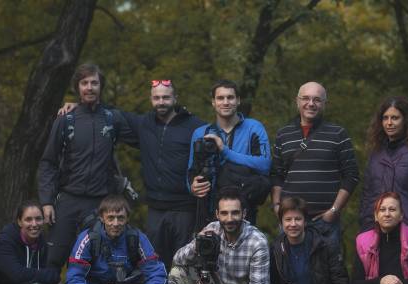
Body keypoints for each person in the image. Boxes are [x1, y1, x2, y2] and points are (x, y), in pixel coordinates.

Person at [58, 80, 205, 271]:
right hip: (155, 209)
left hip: (185, 208)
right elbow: (111, 112)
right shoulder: (144, 123)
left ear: (175, 98)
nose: (161, 101)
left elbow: (211, 153)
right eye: (156, 98)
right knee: (154, 264)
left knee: (184, 265)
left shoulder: (195, 126)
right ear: (151, 99)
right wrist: (81, 106)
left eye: (166, 97)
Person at [38, 63, 136, 271]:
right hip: (67, 200)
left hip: (99, 203)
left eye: (94, 83)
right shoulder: (66, 120)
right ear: (78, 87)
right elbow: (48, 162)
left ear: (101, 86)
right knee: (52, 259)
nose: (89, 87)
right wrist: (46, 201)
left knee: (96, 261)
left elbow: (144, 137)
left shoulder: (113, 119)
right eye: (84, 83)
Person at [169, 186, 269, 284]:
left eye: (235, 213)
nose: (229, 219)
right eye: (224, 213)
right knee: (177, 273)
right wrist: (197, 243)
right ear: (217, 214)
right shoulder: (212, 230)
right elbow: (178, 259)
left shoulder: (257, 241)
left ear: (244, 213)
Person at [64, 194, 168, 284]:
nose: (116, 223)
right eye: (111, 218)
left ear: (127, 219)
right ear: (102, 217)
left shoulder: (137, 237)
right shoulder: (88, 238)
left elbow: (158, 275)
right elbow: (72, 280)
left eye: (121, 218)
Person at [271, 82, 359, 243]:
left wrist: (333, 211)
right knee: (287, 268)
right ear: (297, 101)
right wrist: (277, 206)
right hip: (290, 220)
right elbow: (276, 175)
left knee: (327, 268)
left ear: (325, 104)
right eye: (305, 98)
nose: (310, 104)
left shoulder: (338, 134)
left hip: (325, 223)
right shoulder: (283, 134)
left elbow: (351, 176)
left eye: (317, 99)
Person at [188, 79, 271, 227]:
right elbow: (190, 170)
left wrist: (225, 151)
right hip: (209, 209)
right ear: (213, 102)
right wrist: (192, 186)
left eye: (230, 97)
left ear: (238, 100)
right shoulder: (201, 133)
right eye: (220, 98)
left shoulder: (254, 128)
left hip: (243, 210)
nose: (225, 102)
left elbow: (265, 165)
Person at [359, 96, 408, 231]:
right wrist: (366, 223)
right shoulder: (375, 155)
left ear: (405, 121)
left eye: (395, 118)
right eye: (385, 118)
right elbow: (367, 195)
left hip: (407, 231)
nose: (389, 123)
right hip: (374, 231)